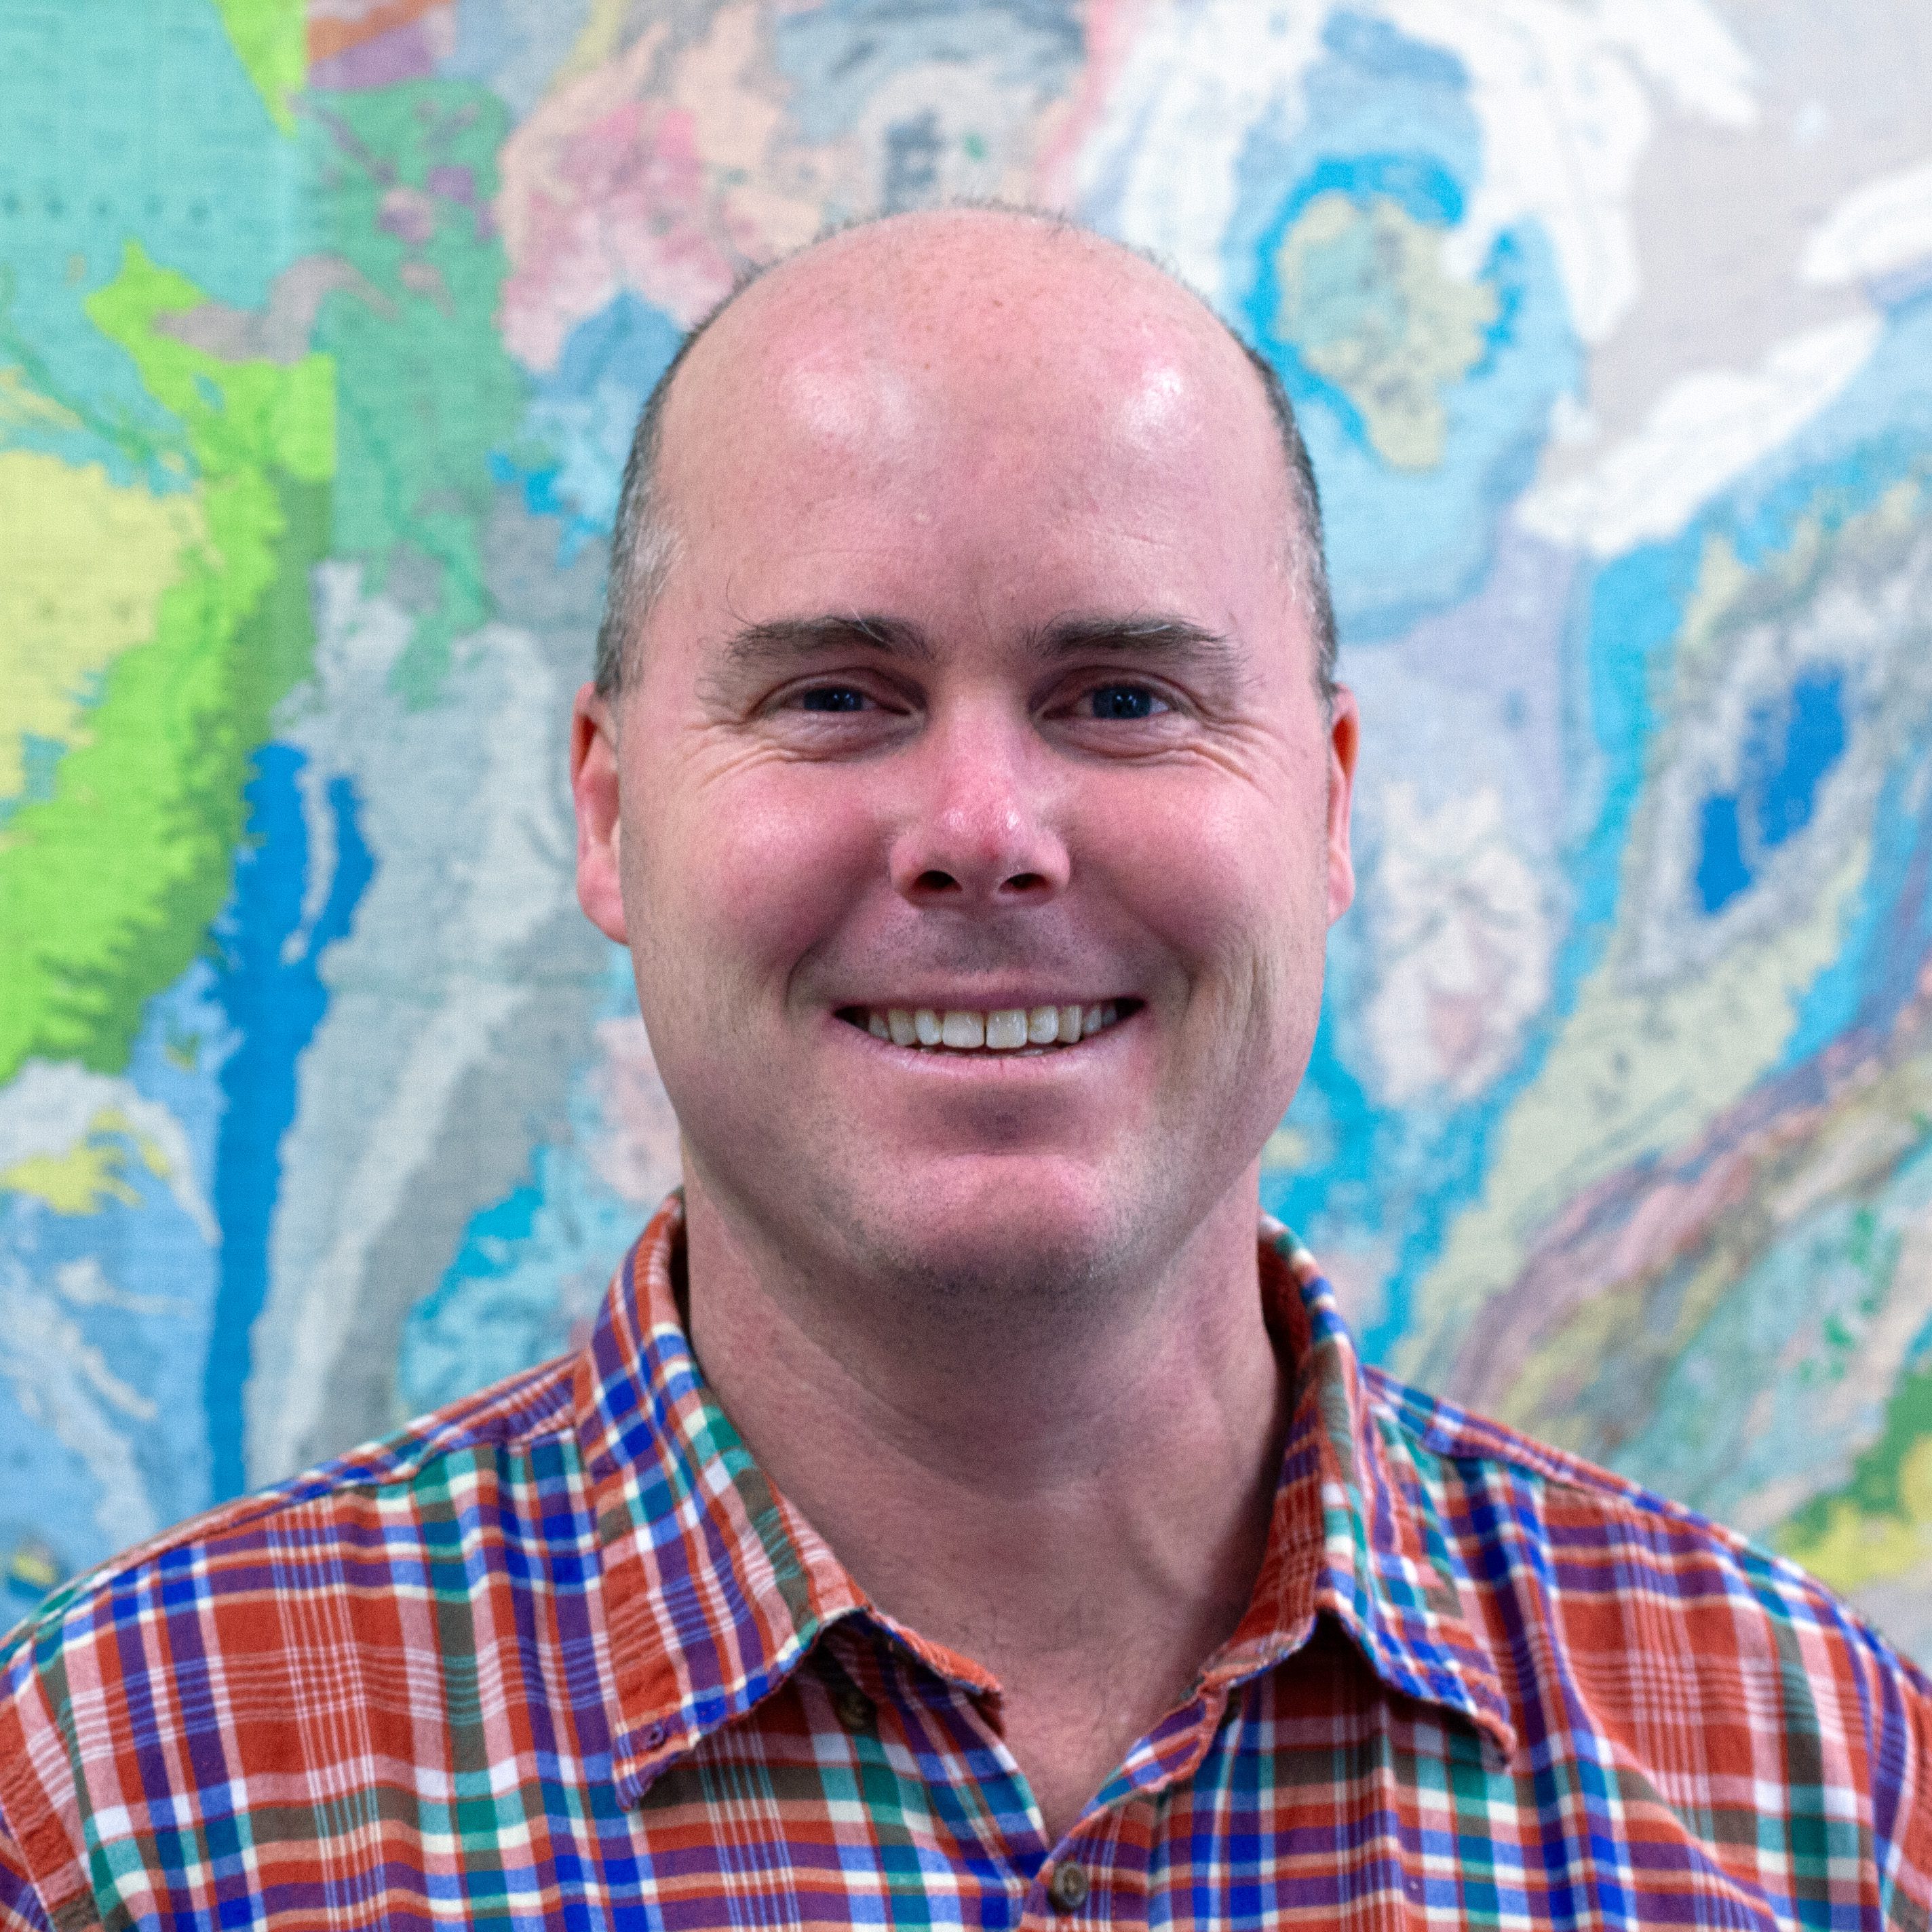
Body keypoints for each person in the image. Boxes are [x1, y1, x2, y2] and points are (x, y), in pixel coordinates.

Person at [3, 206, 1927, 1931]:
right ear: (608, 812)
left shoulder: (1822, 1807)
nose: (984, 829)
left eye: (1124, 699)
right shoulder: (136, 1816)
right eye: (837, 695)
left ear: (1328, 811)